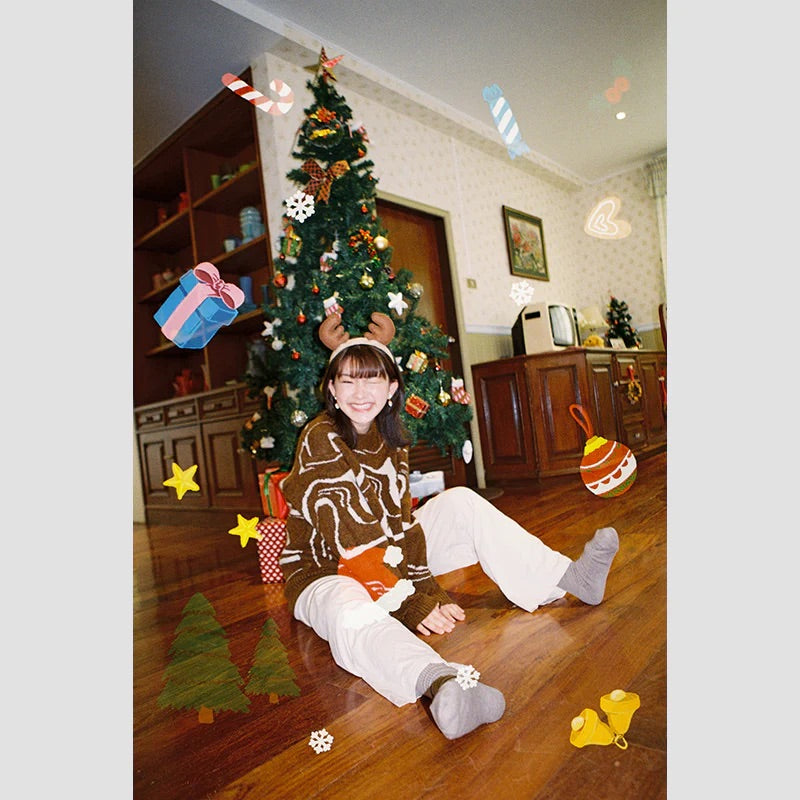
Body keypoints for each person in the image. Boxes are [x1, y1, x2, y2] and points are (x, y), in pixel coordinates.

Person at [279, 312, 620, 740]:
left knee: (460, 501)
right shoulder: (321, 436)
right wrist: (412, 603)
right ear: (331, 389)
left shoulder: (391, 438)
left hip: (386, 556)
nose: (360, 393)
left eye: (372, 380)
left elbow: (401, 524)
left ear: (392, 388)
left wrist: (424, 588)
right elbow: (354, 540)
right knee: (351, 611)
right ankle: (442, 684)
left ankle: (570, 577)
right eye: (348, 381)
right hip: (326, 570)